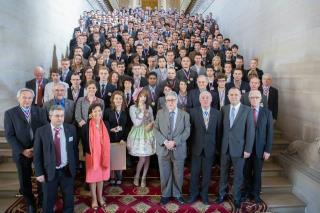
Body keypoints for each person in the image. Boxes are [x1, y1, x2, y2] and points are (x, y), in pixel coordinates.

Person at [4, 88, 48, 213]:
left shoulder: (40, 111)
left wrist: (36, 148)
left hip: (38, 149)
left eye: (29, 98)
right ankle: (30, 203)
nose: (27, 100)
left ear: (33, 99)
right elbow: (9, 135)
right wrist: (23, 150)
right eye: (24, 97)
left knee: (41, 176)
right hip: (21, 151)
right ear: (18, 98)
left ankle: (42, 199)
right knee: (24, 179)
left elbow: (45, 130)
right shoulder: (10, 113)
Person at [215, 87, 255, 210]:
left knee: (238, 175)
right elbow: (220, 129)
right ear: (228, 96)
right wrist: (219, 146)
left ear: (240, 96)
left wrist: (248, 149)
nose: (233, 97)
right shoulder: (224, 109)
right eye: (231, 95)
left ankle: (236, 197)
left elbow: (250, 131)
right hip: (225, 148)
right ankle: (221, 194)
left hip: (240, 148)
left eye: (236, 95)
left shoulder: (247, 110)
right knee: (223, 172)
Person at [34, 105, 77, 213]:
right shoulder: (41, 131)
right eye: (57, 116)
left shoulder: (71, 129)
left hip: (67, 170)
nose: (60, 118)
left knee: (68, 198)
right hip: (49, 171)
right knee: (48, 199)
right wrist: (39, 173)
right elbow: (37, 154)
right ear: (50, 117)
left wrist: (74, 167)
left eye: (62, 116)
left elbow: (74, 150)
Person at [153, 91, 190, 205]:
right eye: (168, 100)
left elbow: (187, 131)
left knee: (178, 174)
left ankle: (177, 194)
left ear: (177, 100)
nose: (170, 102)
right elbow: (155, 129)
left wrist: (175, 142)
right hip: (163, 149)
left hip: (178, 149)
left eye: (172, 100)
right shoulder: (160, 113)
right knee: (165, 173)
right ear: (165, 101)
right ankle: (165, 194)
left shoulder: (185, 115)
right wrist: (165, 142)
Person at [188, 91, 221, 205]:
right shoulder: (192, 112)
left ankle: (204, 195)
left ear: (211, 100)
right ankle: (193, 194)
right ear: (199, 99)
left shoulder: (217, 113)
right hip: (196, 148)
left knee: (207, 174)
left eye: (207, 98)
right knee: (194, 173)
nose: (205, 99)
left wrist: (217, 149)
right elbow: (190, 132)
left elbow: (218, 133)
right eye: (203, 98)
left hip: (210, 149)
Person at [242, 90, 273, 203]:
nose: (254, 99)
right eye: (252, 97)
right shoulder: (244, 111)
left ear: (260, 99)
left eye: (257, 97)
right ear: (249, 99)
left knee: (257, 172)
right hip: (246, 149)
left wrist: (268, 150)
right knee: (246, 172)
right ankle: (246, 192)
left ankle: (255, 194)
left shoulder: (267, 113)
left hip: (260, 149)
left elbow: (270, 133)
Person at [81, 103, 110, 210]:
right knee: (93, 178)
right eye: (95, 111)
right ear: (91, 114)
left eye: (99, 110)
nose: (97, 113)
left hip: (103, 155)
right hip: (92, 156)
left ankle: (100, 197)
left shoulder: (106, 124)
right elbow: (84, 143)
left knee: (101, 178)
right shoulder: (85, 127)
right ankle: (94, 198)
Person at [127, 90, 155, 187]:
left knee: (147, 157)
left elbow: (152, 120)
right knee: (142, 158)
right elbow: (136, 123)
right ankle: (137, 176)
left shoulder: (149, 108)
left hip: (148, 133)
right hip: (138, 134)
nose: (143, 98)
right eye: (141, 96)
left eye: (145, 96)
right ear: (137, 97)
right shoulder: (132, 108)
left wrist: (151, 122)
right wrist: (142, 112)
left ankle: (143, 177)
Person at [104, 91, 127, 185]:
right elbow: (104, 124)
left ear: (123, 100)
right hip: (110, 138)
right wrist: (110, 129)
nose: (118, 100)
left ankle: (119, 176)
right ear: (113, 100)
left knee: (120, 158)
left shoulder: (125, 111)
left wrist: (124, 138)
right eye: (116, 98)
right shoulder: (107, 111)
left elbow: (128, 126)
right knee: (111, 158)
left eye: (120, 99)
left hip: (121, 139)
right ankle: (112, 176)